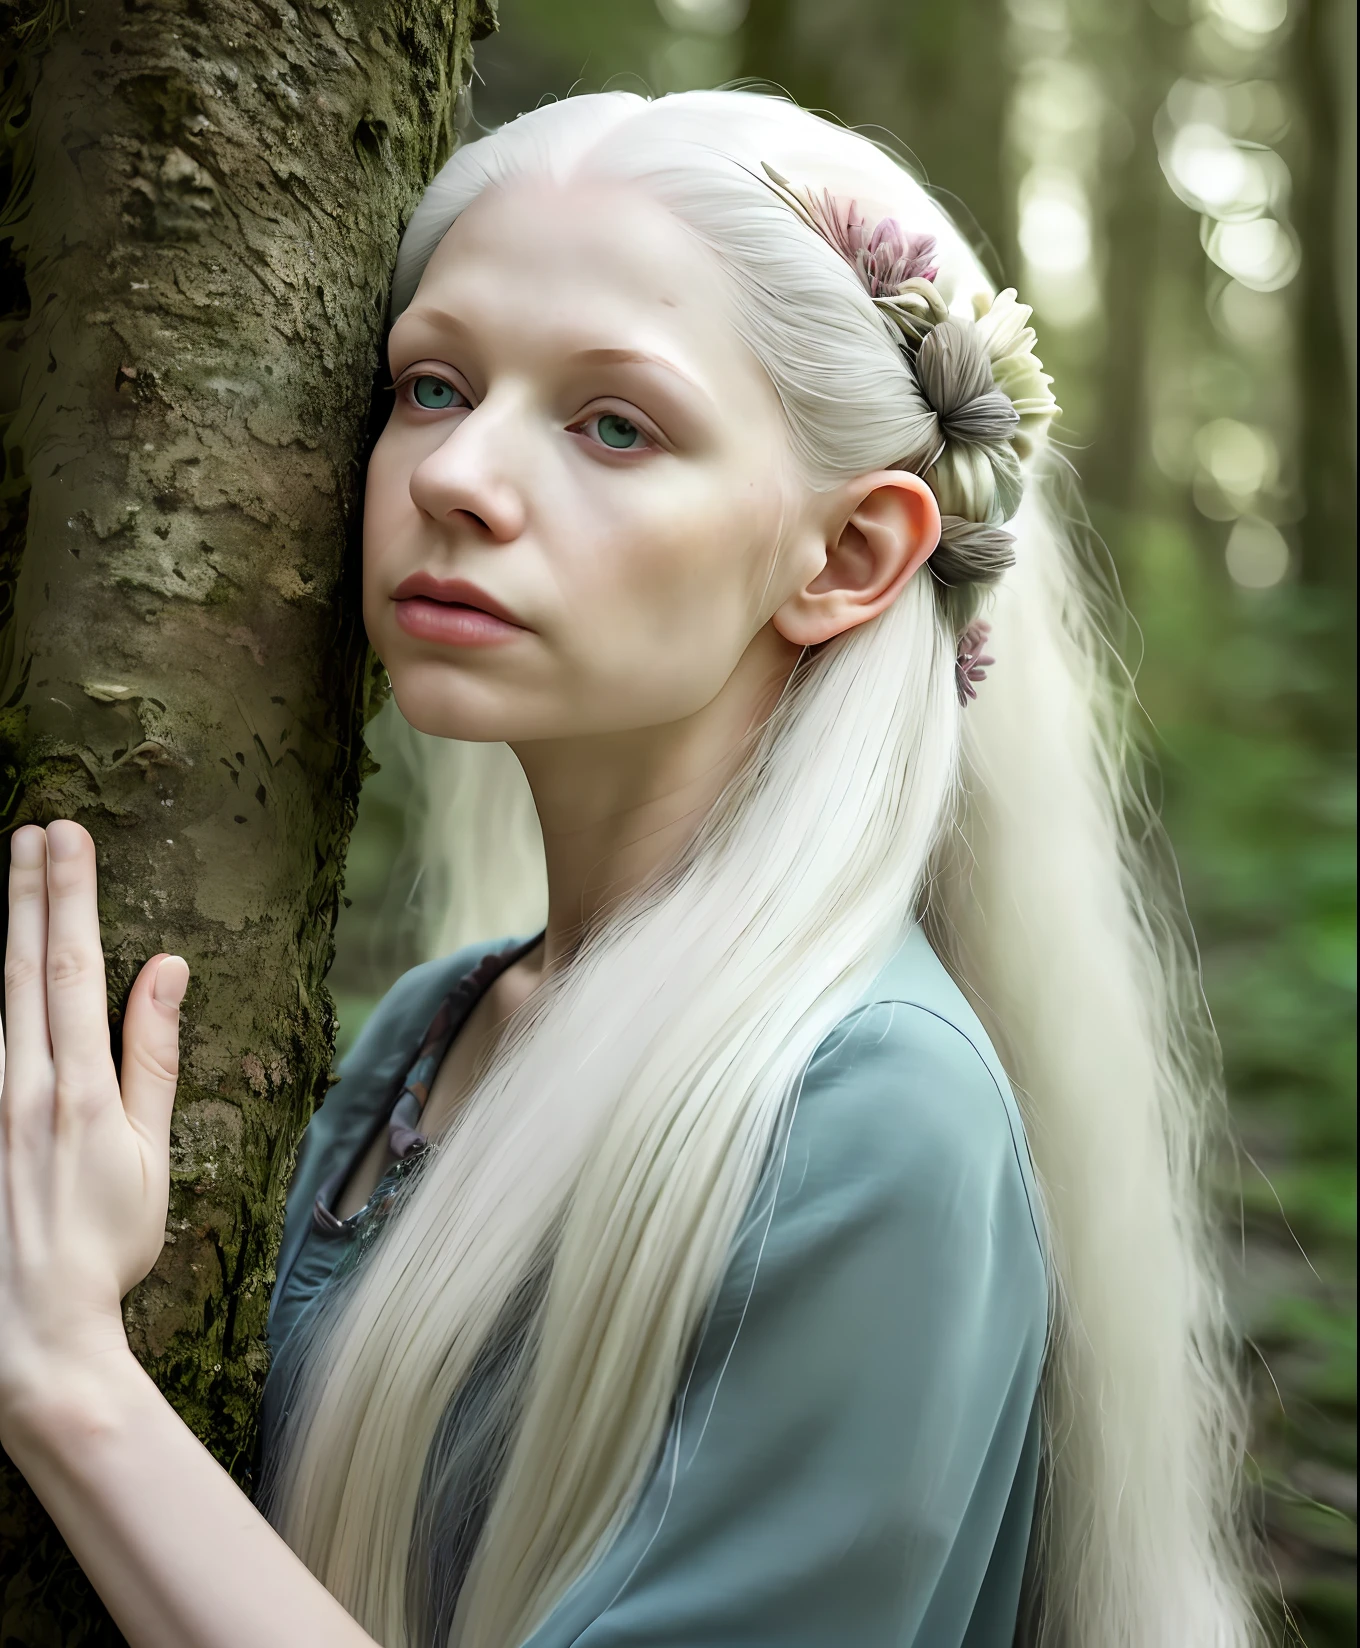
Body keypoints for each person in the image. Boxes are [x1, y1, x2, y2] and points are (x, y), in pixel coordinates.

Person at [0, 90, 1261, 1647]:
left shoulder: (872, 1114)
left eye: (617, 424)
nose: (459, 475)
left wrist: (70, 1383)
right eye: (434, 384)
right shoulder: (435, 1031)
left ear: (849, 557)